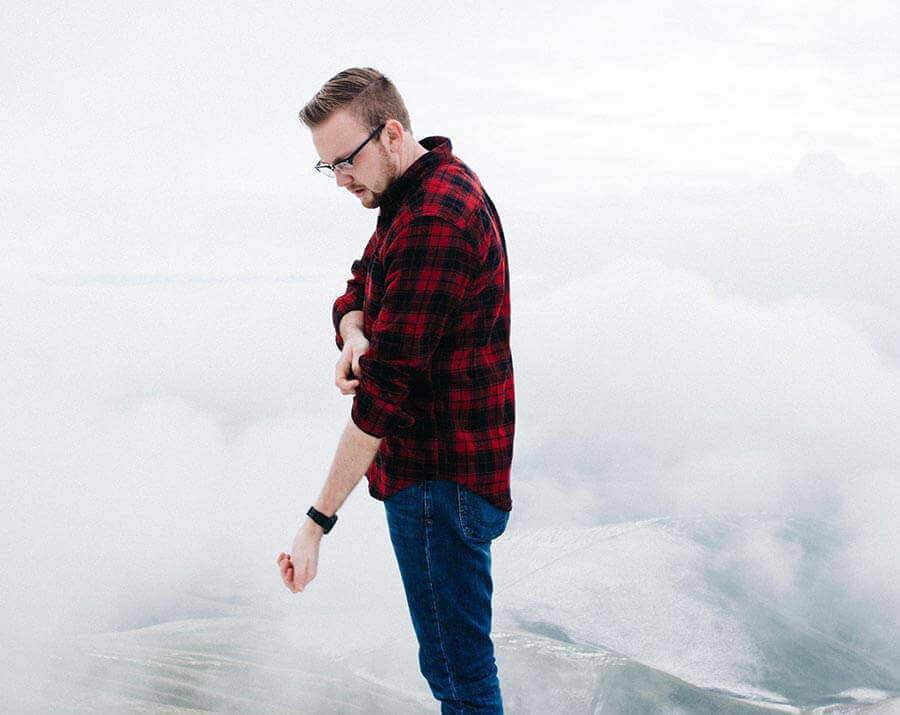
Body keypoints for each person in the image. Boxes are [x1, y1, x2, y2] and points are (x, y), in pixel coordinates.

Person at [276, 67, 515, 714]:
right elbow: (359, 284)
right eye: (327, 167)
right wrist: (355, 334)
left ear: (390, 133)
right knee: (451, 667)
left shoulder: (434, 219)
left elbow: (381, 400)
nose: (340, 180)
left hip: (441, 479)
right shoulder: (413, 193)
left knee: (459, 676)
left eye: (345, 161)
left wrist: (316, 523)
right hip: (440, 475)